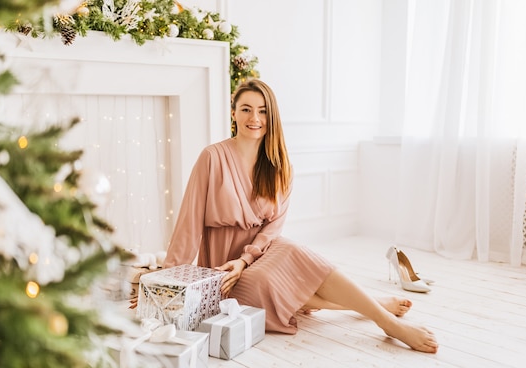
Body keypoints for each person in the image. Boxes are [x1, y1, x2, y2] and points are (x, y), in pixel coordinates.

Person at [141, 79, 438, 353]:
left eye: (262, 111)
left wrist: (245, 260)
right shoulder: (212, 157)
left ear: (272, 117)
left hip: (261, 252)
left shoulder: (281, 166)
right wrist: (167, 283)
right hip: (223, 267)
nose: (254, 118)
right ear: (233, 113)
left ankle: (388, 322)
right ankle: (367, 304)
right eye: (245, 109)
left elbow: (274, 227)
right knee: (264, 287)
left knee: (295, 255)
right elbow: (188, 222)